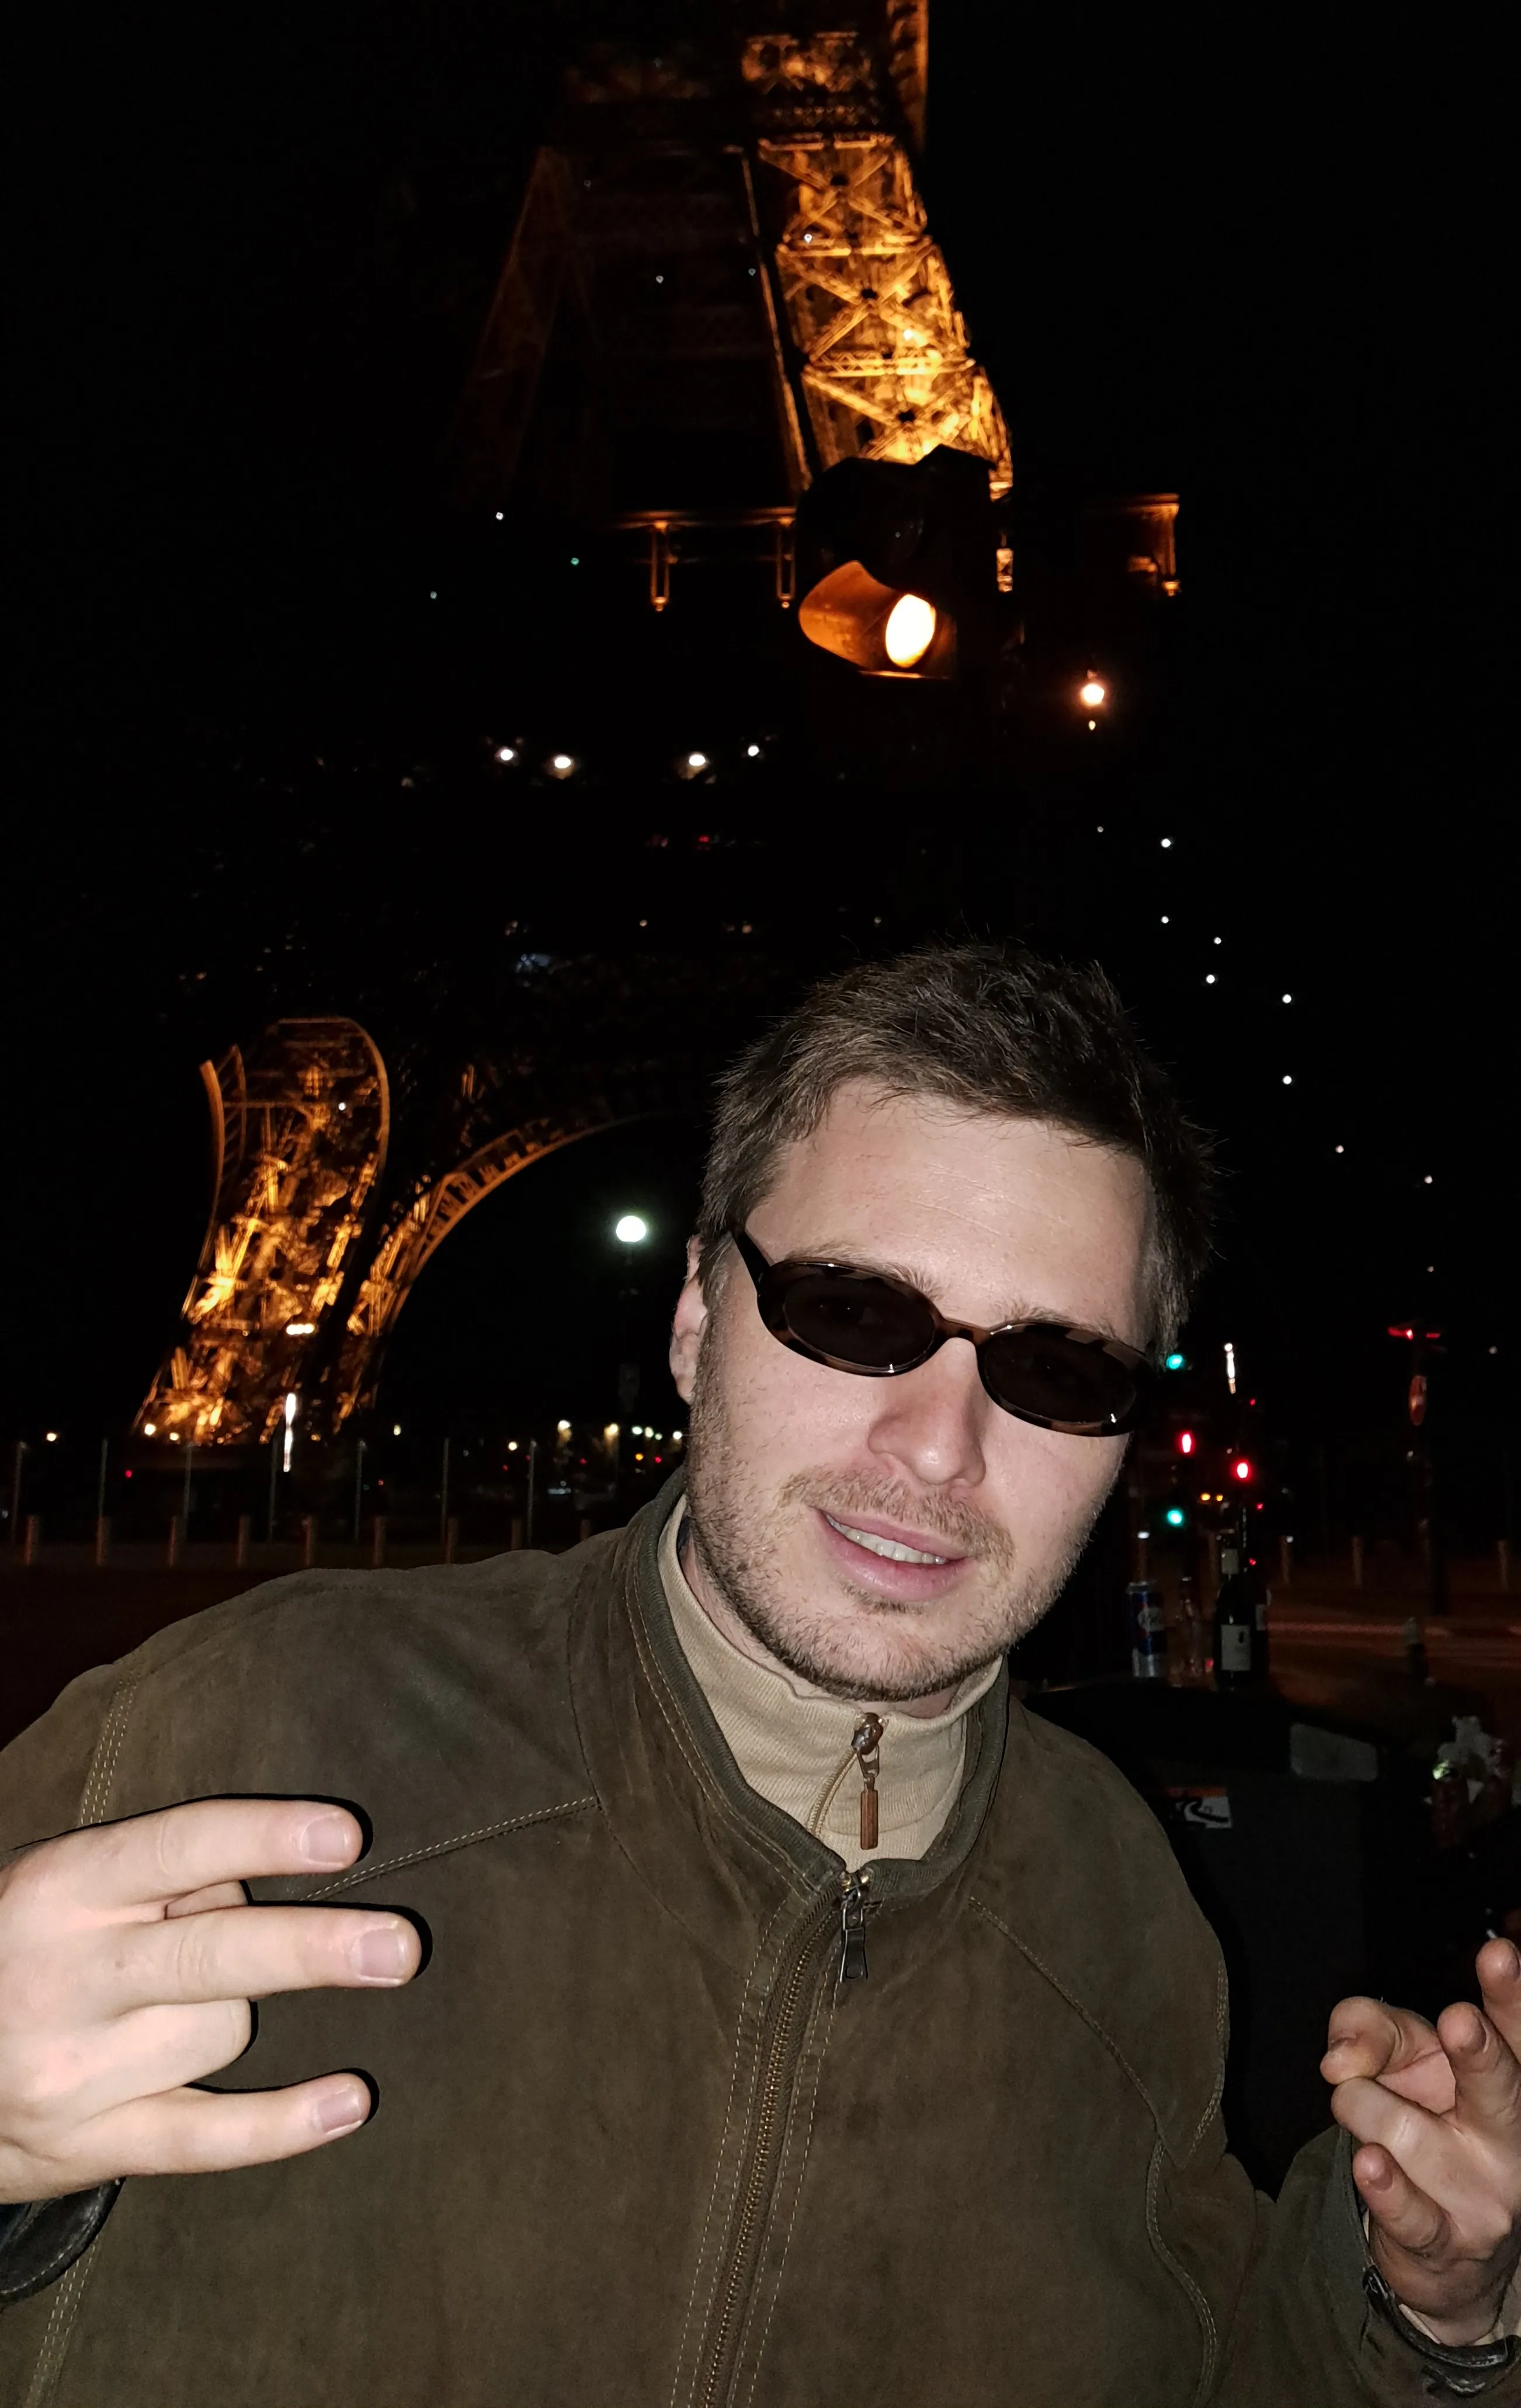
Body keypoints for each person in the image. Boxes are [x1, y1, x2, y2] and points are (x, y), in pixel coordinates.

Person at [0, 942, 1516, 2406]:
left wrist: (1427, 2307)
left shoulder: (1125, 1918)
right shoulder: (229, 1732)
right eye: (852, 1314)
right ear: (694, 1316)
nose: (935, 1445)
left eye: (1054, 1370)